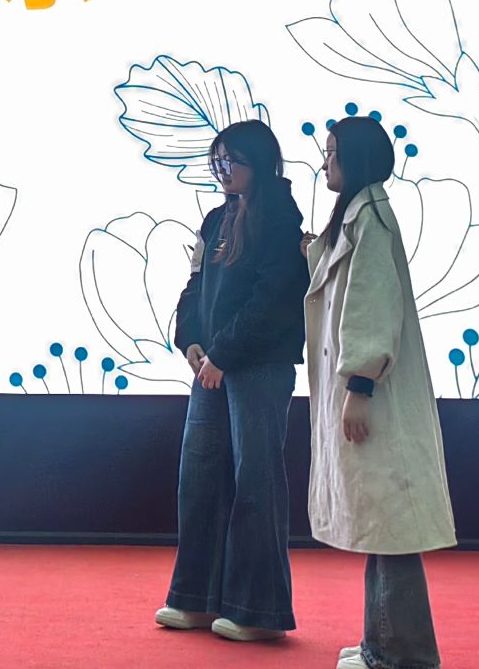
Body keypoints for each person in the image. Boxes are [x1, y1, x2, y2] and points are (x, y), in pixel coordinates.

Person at [306, 116, 455, 669]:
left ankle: (400, 655)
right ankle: (380, 644)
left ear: (354, 158)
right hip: (367, 387)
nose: (325, 163)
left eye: (331, 153)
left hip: (372, 391)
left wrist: (360, 385)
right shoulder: (360, 213)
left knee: (391, 527)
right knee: (381, 523)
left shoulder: (370, 217)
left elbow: (371, 307)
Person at [158, 119, 310, 642]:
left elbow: (273, 297)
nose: (222, 170)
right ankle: (195, 600)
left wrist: (223, 353)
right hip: (212, 366)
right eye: (217, 160)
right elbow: (194, 285)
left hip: (258, 365)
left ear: (259, 161)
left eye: (232, 160)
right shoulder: (215, 218)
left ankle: (257, 611)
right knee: (198, 477)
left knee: (255, 481)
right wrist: (190, 341)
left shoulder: (281, 216)